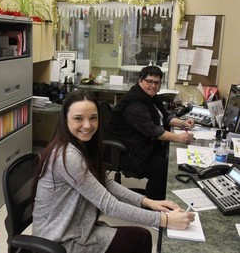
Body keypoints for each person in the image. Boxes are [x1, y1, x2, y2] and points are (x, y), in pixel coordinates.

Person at [32, 89, 195, 253]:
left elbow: (106, 183)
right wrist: (164, 220)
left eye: (93, 118)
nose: (88, 125)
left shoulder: (82, 145)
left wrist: (149, 202)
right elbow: (109, 205)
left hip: (79, 228)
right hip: (62, 240)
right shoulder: (67, 155)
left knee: (142, 237)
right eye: (78, 119)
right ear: (65, 119)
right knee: (142, 240)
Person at [105, 66, 195, 200]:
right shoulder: (134, 103)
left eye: (157, 83)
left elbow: (164, 117)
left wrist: (182, 123)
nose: (153, 86)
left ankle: (156, 196)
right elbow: (153, 130)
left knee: (168, 160)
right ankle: (153, 206)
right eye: (149, 81)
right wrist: (178, 138)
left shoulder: (151, 98)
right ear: (140, 81)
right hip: (127, 152)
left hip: (141, 145)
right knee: (164, 170)